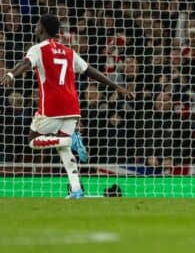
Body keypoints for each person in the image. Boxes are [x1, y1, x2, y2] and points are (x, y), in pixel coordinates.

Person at [0, 13, 134, 199]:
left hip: (52, 107)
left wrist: (11, 75)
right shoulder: (69, 52)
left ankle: (71, 140)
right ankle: (76, 189)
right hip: (72, 106)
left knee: (33, 140)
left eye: (38, 25)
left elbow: (24, 64)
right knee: (63, 151)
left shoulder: (38, 49)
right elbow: (90, 71)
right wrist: (116, 86)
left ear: (42, 28)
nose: (36, 27)